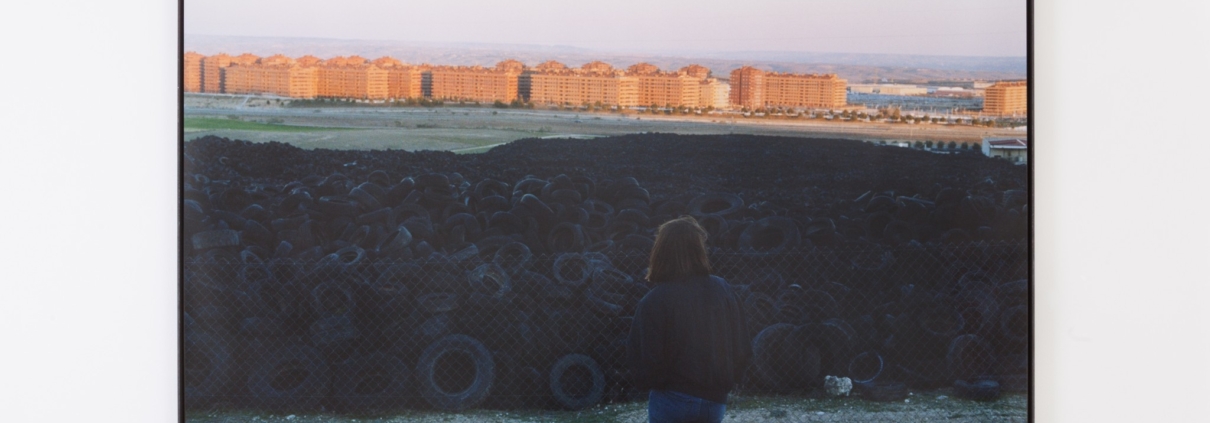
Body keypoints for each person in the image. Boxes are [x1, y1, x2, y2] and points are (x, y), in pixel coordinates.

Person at [628, 216, 750, 423]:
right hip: (715, 401)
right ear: (699, 249)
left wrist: (658, 383)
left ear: (660, 252)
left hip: (672, 398)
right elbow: (742, 343)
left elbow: (645, 359)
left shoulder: (654, 300)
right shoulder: (723, 289)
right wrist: (730, 381)